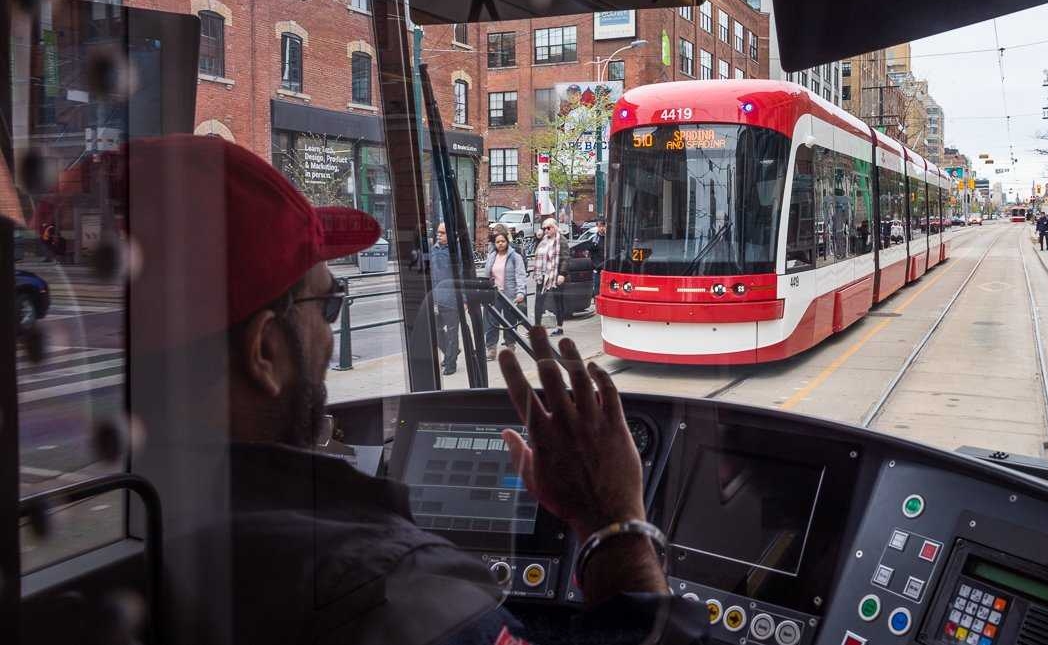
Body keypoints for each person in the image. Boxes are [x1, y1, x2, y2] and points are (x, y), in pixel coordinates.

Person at [119, 135, 700, 645]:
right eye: (326, 304)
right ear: (266, 352)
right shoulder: (386, 588)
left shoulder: (122, 536)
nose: (329, 330)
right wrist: (614, 524)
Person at [484, 225, 528, 360]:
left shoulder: (515, 257)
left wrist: (521, 293)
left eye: (502, 241)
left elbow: (520, 275)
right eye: (497, 242)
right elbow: (487, 274)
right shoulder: (492, 256)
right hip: (495, 294)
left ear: (507, 242)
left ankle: (510, 345)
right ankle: (491, 349)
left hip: (509, 295)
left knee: (509, 321)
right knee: (492, 321)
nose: (500, 244)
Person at [429, 221, 463, 375]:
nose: (439, 235)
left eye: (442, 233)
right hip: (436, 299)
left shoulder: (457, 252)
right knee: (435, 331)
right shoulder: (434, 250)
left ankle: (450, 364)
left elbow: (462, 276)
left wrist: (464, 298)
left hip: (451, 300)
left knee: (451, 332)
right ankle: (452, 352)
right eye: (438, 232)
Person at [533, 217, 569, 336]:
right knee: (539, 301)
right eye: (544, 228)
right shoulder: (543, 240)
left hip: (555, 275)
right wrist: (537, 238)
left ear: (555, 227)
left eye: (548, 228)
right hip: (542, 274)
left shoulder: (561, 240)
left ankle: (559, 327)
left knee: (557, 301)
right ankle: (537, 327)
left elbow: (565, 258)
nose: (546, 230)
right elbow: (537, 252)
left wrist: (562, 274)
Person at [588, 219, 607, 304]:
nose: (601, 228)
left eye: (603, 226)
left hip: (607, 268)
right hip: (597, 268)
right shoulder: (594, 240)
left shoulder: (610, 239)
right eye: (599, 226)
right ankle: (597, 303)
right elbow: (591, 255)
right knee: (597, 287)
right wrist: (595, 265)